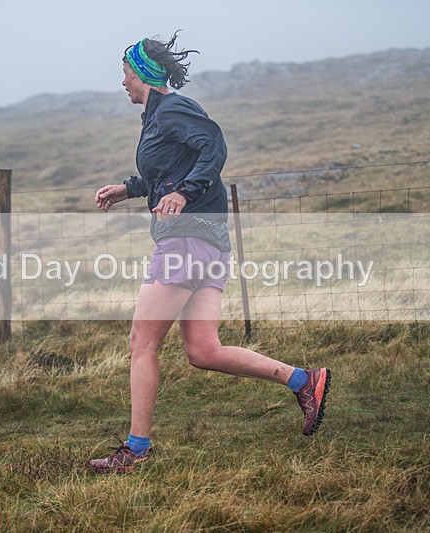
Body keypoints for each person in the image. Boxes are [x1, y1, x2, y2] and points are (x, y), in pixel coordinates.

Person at [89, 32, 331, 474]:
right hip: (208, 244)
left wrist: (183, 193)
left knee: (142, 343)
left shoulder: (174, 109)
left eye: (125, 72)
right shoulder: (158, 117)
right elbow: (169, 171)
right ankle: (304, 380)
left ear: (142, 74)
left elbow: (213, 148)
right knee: (204, 350)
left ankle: (135, 451)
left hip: (185, 238)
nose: (122, 81)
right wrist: (128, 189)